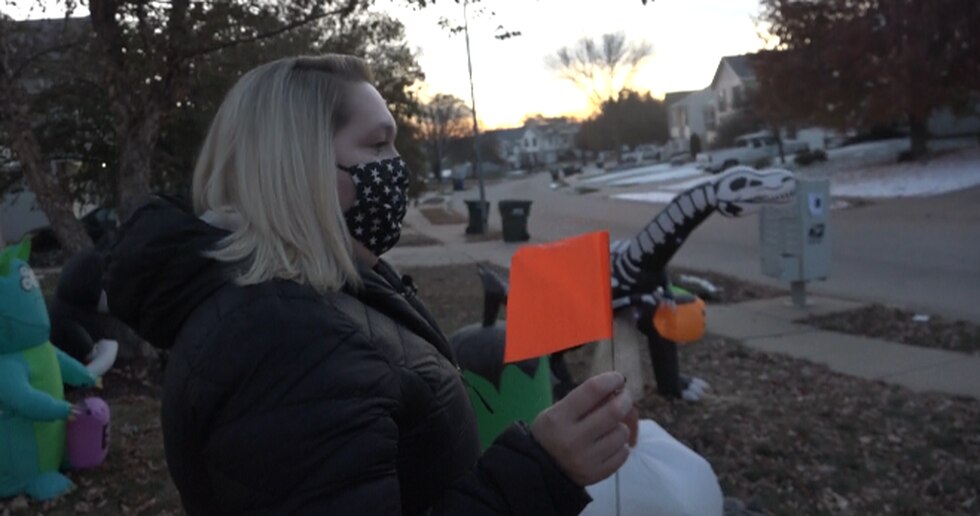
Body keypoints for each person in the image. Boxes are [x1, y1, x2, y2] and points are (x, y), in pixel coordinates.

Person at [103, 55, 636, 515]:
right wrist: (542, 470)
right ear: (299, 168)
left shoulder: (322, 293)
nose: (397, 168)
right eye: (378, 146)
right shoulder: (283, 344)